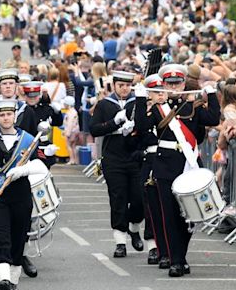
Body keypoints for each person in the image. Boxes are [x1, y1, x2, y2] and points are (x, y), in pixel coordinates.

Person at [134, 64, 220, 277]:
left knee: (190, 217)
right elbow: (142, 126)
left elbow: (213, 119)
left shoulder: (194, 105)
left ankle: (180, 255)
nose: (174, 86)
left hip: (188, 164)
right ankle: (176, 260)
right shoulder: (158, 107)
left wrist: (211, 94)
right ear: (164, 84)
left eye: (177, 83)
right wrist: (140, 99)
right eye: (169, 83)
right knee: (170, 215)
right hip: (165, 166)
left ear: (184, 83)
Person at [0, 99, 47, 290]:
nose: (6, 118)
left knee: (17, 238)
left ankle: (13, 281)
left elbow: (41, 166)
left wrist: (23, 170)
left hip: (21, 194)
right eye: (2, 115)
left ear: (15, 116)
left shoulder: (29, 139)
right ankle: (3, 280)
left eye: (9, 114)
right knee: (0, 237)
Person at [89, 70, 144, 258]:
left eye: (128, 85)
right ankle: (120, 241)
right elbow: (94, 129)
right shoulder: (104, 104)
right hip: (113, 157)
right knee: (118, 198)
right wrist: (115, 122)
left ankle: (134, 228)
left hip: (135, 156)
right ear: (114, 85)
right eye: (121, 85)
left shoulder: (137, 102)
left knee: (138, 198)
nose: (125, 89)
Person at [134, 74, 169, 267]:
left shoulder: (173, 111)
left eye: (163, 92)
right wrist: (140, 103)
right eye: (156, 92)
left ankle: (168, 244)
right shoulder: (147, 113)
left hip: (171, 160)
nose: (161, 96)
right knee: (149, 205)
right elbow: (140, 128)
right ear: (150, 95)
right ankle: (152, 245)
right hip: (151, 160)